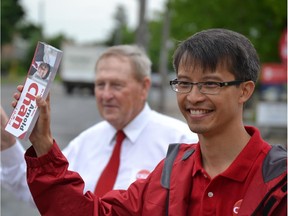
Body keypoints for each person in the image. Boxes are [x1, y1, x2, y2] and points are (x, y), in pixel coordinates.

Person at [13, 28, 287, 215]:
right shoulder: (170, 172)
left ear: (245, 90)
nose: (193, 97)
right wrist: (43, 144)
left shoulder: (277, 182)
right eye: (184, 83)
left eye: (210, 84)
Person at [1, 45, 198, 206]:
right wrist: (6, 141)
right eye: (100, 84)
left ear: (144, 87)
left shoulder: (181, 142)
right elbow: (40, 188)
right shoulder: (86, 141)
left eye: (116, 85)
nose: (105, 94)